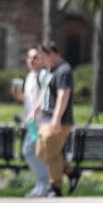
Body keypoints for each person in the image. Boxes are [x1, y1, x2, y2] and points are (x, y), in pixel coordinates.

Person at [35, 41, 81, 197]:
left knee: (52, 152)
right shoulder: (49, 70)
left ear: (52, 53)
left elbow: (63, 94)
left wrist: (56, 118)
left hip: (59, 119)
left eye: (43, 56)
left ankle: (55, 187)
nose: (41, 60)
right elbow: (45, 92)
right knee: (41, 152)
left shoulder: (64, 70)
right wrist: (36, 109)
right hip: (45, 118)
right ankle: (71, 171)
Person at [12, 46, 49, 198]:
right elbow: (28, 99)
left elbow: (44, 96)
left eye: (35, 57)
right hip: (31, 123)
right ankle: (40, 185)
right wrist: (18, 96)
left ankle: (44, 185)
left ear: (41, 59)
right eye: (29, 57)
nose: (32, 60)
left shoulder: (43, 74)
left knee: (29, 151)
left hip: (40, 122)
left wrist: (34, 112)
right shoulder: (30, 76)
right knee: (34, 153)